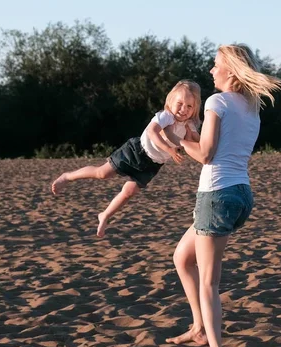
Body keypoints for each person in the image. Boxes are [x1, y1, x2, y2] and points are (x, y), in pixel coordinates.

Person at [166, 44, 281, 347]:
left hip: (216, 195)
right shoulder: (251, 106)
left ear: (230, 71)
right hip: (241, 195)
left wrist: (177, 138)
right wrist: (189, 135)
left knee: (209, 281)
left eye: (215, 65)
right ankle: (197, 327)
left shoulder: (217, 101)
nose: (211, 70)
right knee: (181, 257)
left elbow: (206, 154)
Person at [51, 80, 202, 237]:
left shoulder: (189, 124)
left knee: (129, 192)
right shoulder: (166, 116)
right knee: (102, 173)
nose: (184, 109)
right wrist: (169, 149)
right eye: (180, 103)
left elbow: (196, 141)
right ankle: (68, 176)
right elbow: (152, 132)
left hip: (152, 164)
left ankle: (105, 215)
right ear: (170, 102)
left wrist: (194, 137)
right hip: (136, 151)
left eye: (189, 106)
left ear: (195, 108)